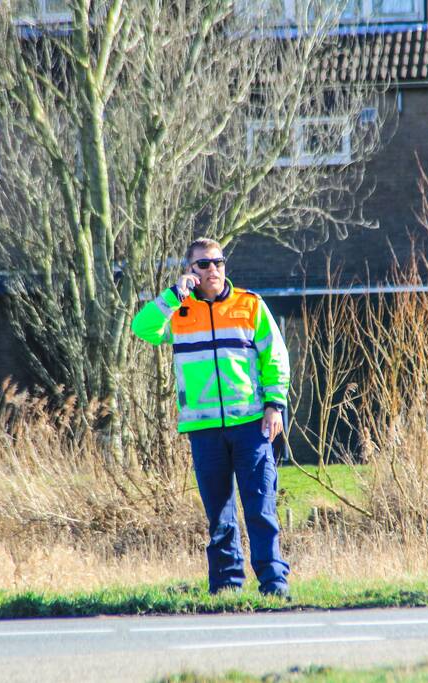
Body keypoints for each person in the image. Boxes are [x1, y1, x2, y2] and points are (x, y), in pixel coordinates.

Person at [131, 237, 291, 598]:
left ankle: (274, 583)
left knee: (261, 508)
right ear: (191, 271)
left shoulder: (249, 305)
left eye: (218, 262)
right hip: (203, 430)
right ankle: (226, 587)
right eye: (203, 264)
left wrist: (274, 404)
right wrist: (174, 295)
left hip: (251, 424)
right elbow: (142, 328)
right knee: (219, 517)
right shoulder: (179, 312)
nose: (213, 269)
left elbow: (275, 357)